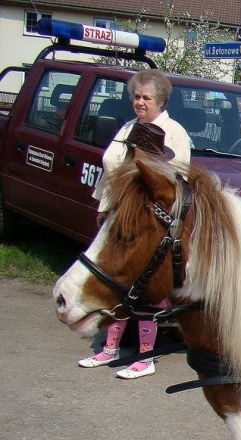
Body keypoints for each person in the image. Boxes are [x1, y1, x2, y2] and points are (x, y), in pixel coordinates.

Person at [79, 69, 191, 380]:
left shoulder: (174, 133)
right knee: (114, 281)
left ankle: (145, 357)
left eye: (147, 98)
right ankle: (110, 348)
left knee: (145, 290)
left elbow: (175, 181)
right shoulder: (127, 128)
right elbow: (110, 171)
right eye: (137, 97)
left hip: (146, 223)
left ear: (162, 100)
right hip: (118, 217)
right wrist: (104, 207)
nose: (140, 102)